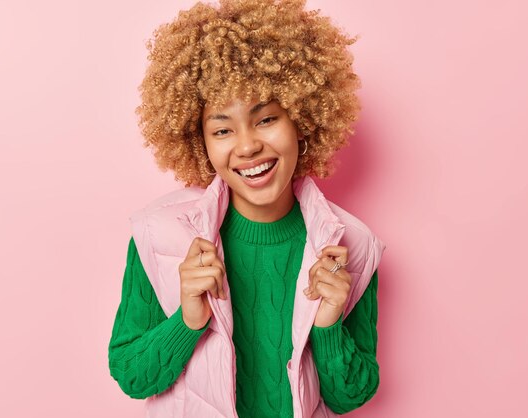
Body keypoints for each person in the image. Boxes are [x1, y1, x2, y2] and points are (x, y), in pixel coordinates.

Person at [108, 0, 386, 417]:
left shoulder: (353, 246)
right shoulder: (159, 236)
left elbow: (351, 396)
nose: (246, 145)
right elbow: (132, 376)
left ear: (302, 121)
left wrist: (328, 327)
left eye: (266, 119)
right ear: (200, 142)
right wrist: (187, 321)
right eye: (222, 129)